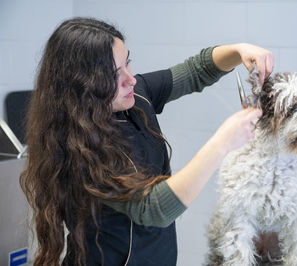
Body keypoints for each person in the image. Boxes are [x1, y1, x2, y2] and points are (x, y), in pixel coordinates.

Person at [20, 17, 274, 266]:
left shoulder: (136, 95)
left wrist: (238, 49)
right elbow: (153, 208)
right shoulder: (79, 147)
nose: (130, 79)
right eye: (113, 74)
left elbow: (196, 70)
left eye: (127, 63)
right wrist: (222, 144)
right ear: (82, 85)